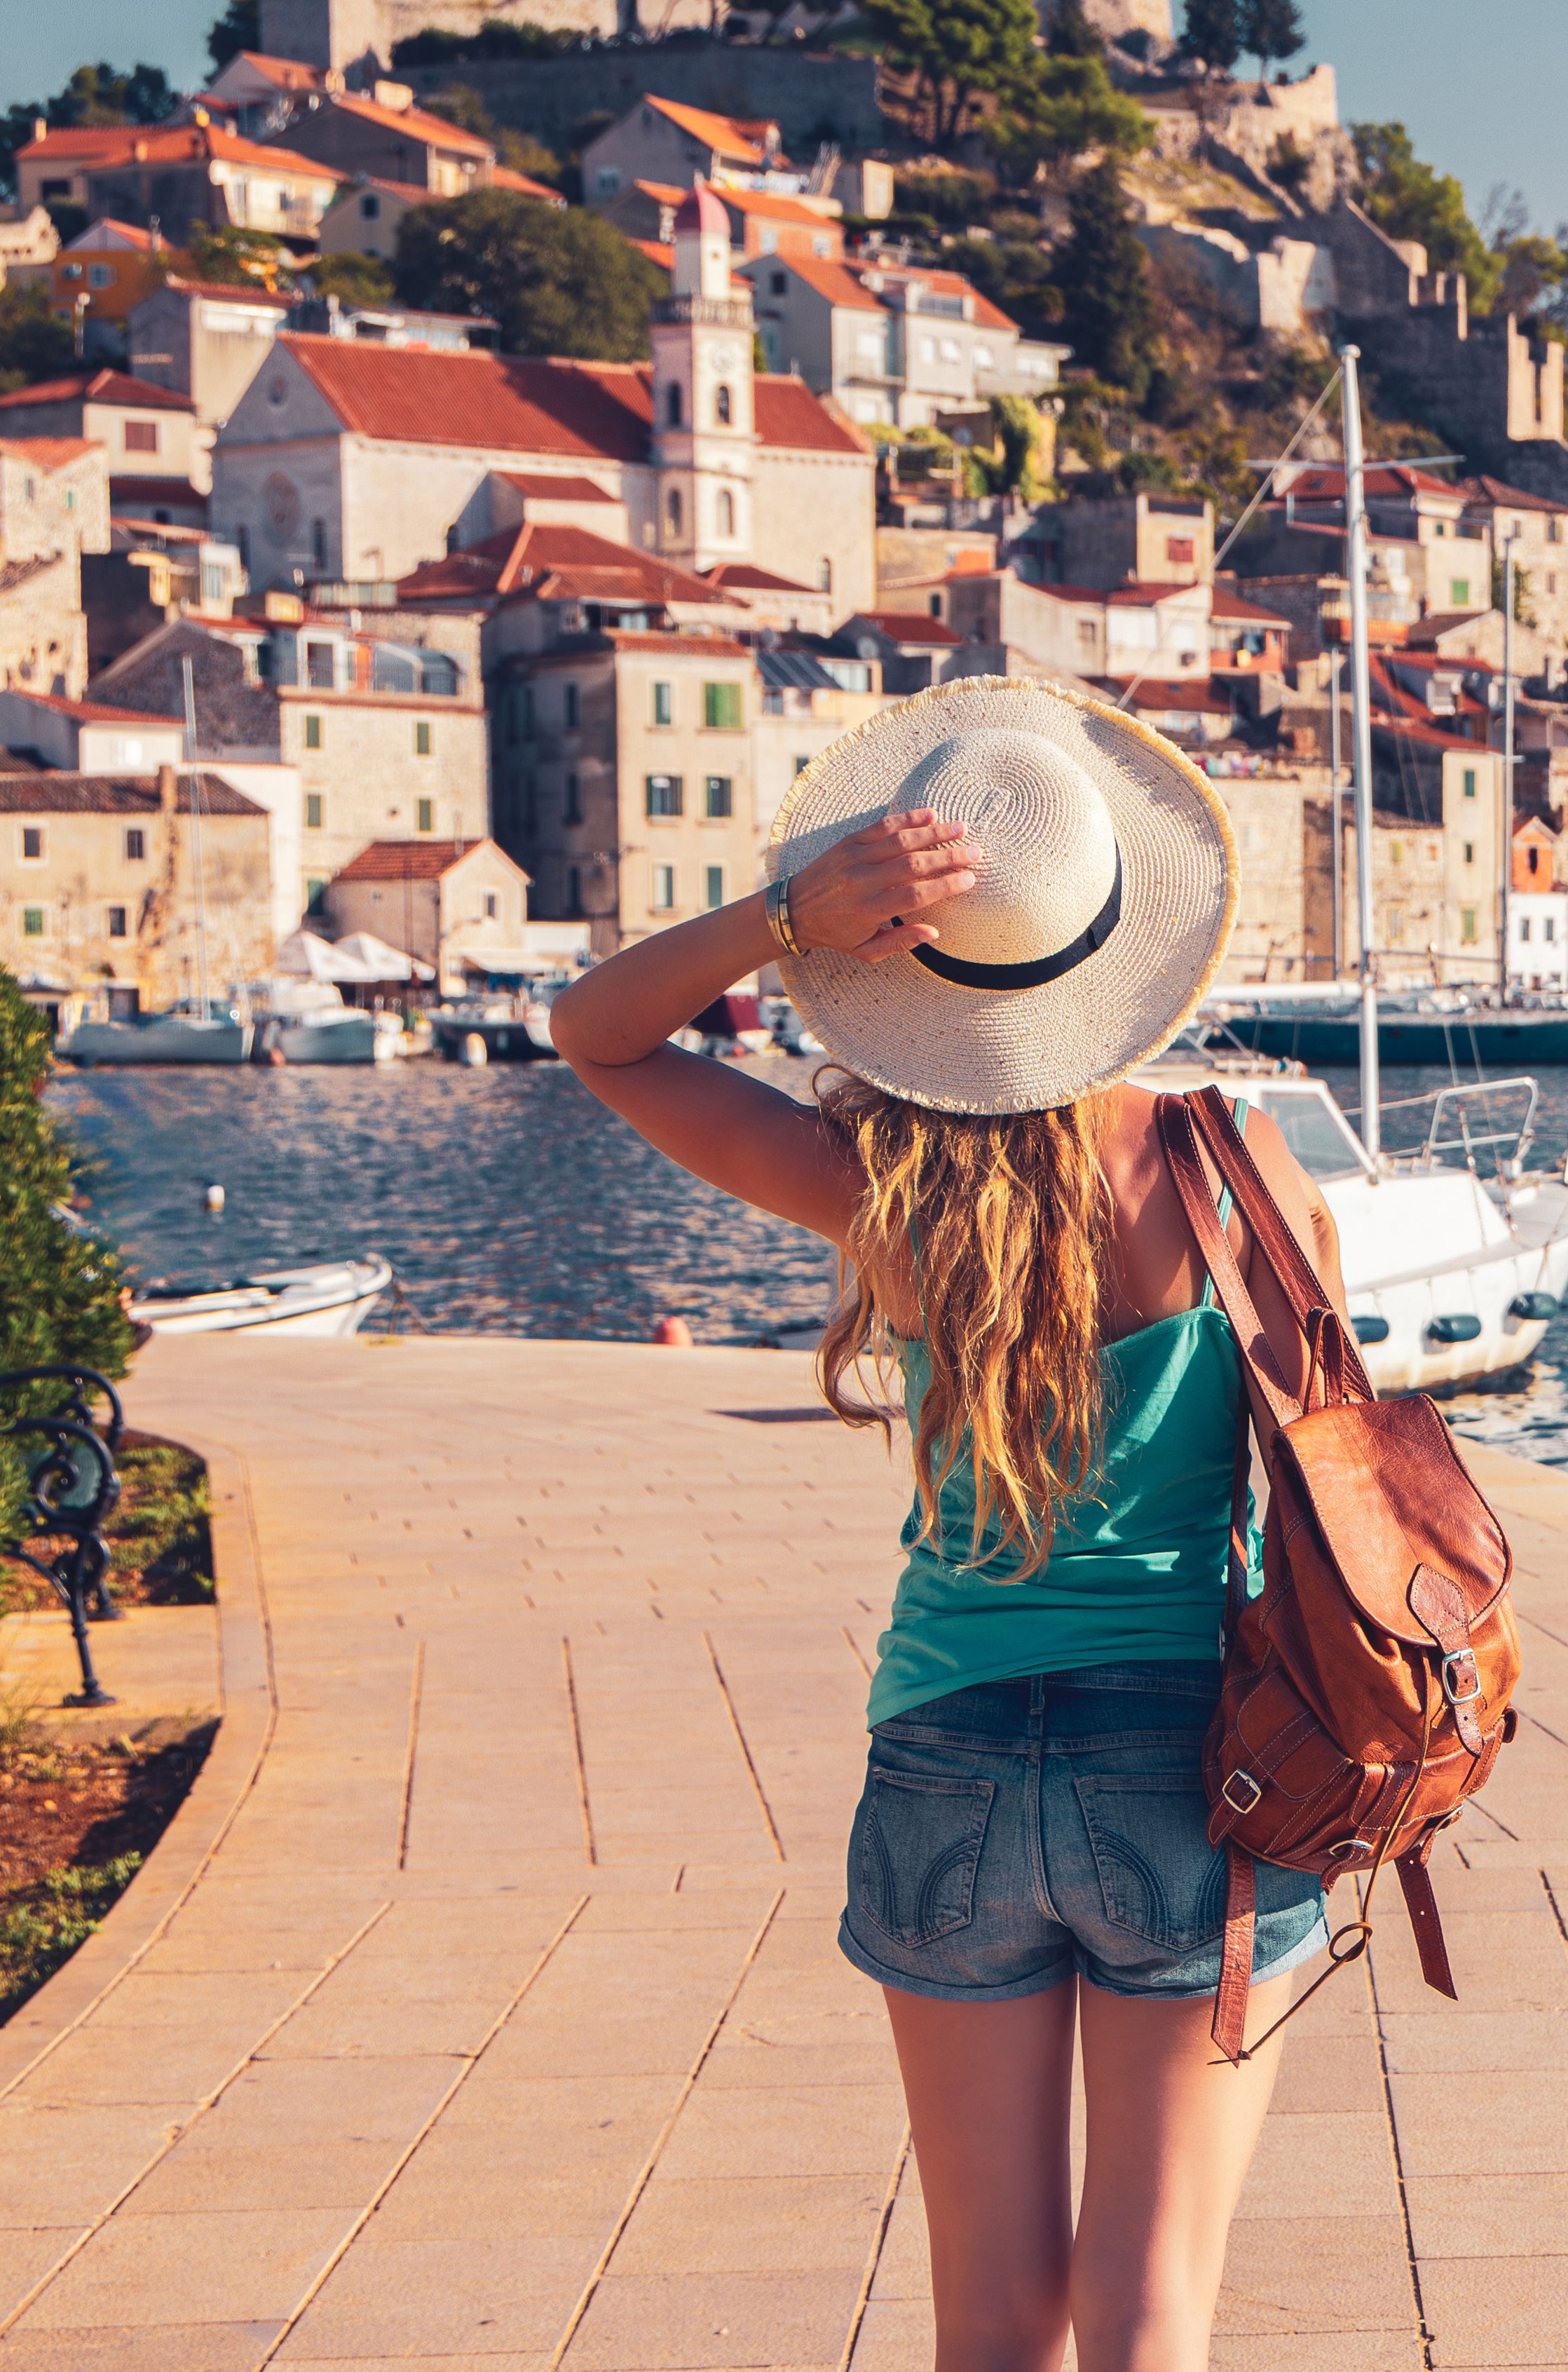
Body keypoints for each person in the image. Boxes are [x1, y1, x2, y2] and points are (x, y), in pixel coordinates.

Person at [552, 675, 1319, 2372]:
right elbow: (1324, 1471)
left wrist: (780, 918)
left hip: (949, 1758)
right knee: (1149, 2317)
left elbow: (594, 1032)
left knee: (987, 2321)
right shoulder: (1239, 1167)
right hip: (1198, 1767)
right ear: (1125, 944)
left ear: (909, 969)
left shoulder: (886, 1191)